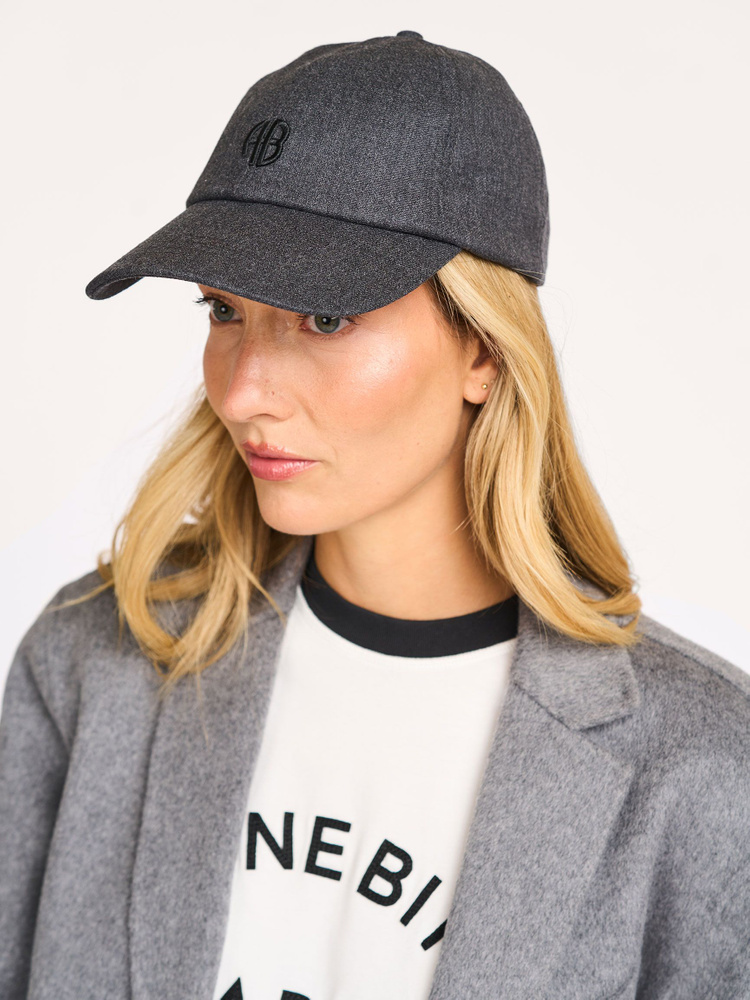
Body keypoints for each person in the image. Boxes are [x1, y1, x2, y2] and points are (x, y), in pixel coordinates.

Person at [1, 28, 748, 1000]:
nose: (243, 391)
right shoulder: (90, 664)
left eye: (324, 318)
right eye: (223, 310)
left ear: (483, 350)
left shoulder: (703, 770)